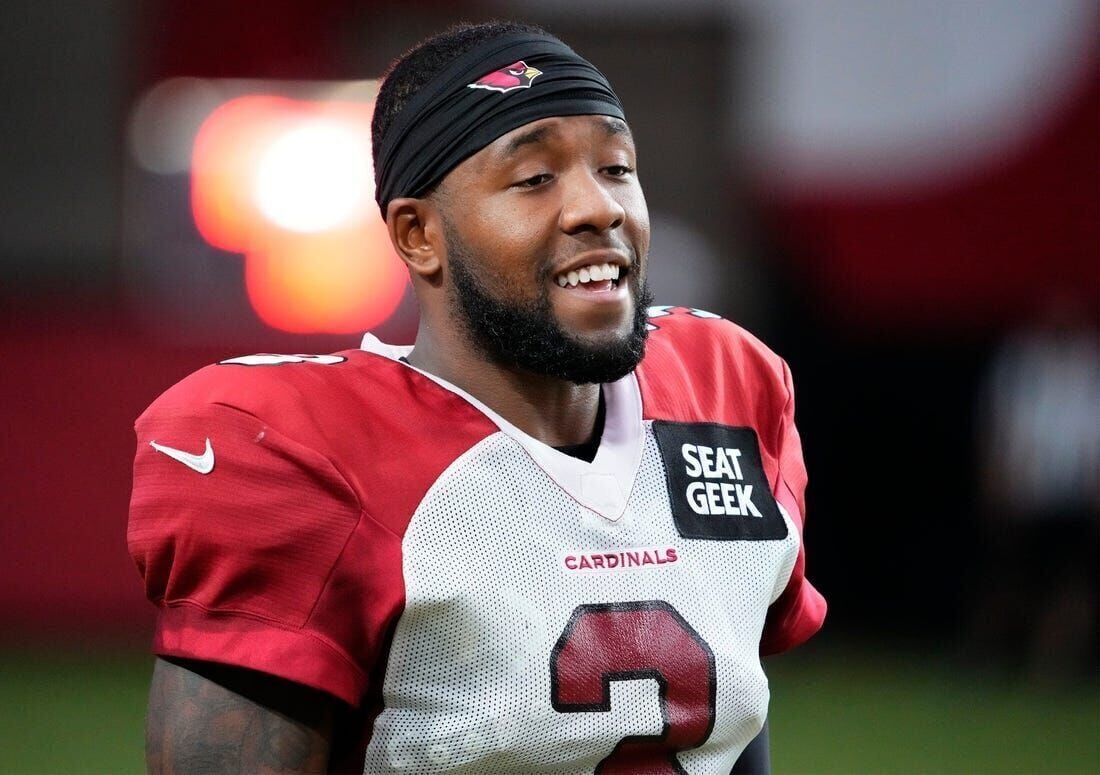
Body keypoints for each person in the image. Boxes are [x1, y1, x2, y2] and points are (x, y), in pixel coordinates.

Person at [128, 21, 825, 774]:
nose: (600, 208)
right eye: (535, 179)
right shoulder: (301, 452)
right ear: (420, 234)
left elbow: (727, 712)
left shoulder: (724, 386)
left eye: (617, 168)